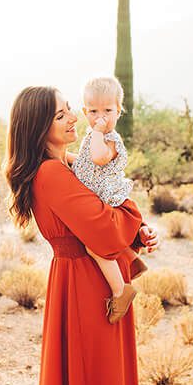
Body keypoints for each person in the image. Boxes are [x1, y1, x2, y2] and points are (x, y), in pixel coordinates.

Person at [5, 86, 158, 385]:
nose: (72, 120)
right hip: (79, 292)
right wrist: (131, 219)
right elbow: (101, 224)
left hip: (97, 289)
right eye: (60, 115)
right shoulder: (51, 173)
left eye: (70, 111)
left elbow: (105, 221)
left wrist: (133, 231)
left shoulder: (69, 166)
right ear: (38, 128)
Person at [69, 76, 142, 323]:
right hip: (96, 198)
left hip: (106, 199)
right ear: (84, 112)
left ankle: (121, 290)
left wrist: (99, 132)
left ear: (118, 111)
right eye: (93, 111)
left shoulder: (109, 139)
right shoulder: (93, 137)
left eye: (107, 111)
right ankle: (131, 259)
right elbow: (83, 164)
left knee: (94, 245)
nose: (100, 117)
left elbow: (99, 158)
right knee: (96, 242)